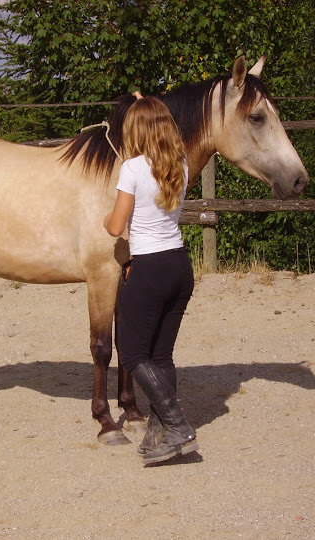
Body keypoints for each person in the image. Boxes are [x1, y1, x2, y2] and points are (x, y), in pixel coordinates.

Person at [103, 95, 198, 465]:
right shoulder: (181, 164)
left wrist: (104, 220)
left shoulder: (132, 168)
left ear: (136, 130)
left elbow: (115, 226)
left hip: (149, 268)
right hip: (179, 266)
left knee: (132, 353)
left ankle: (177, 425)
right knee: (161, 355)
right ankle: (161, 435)